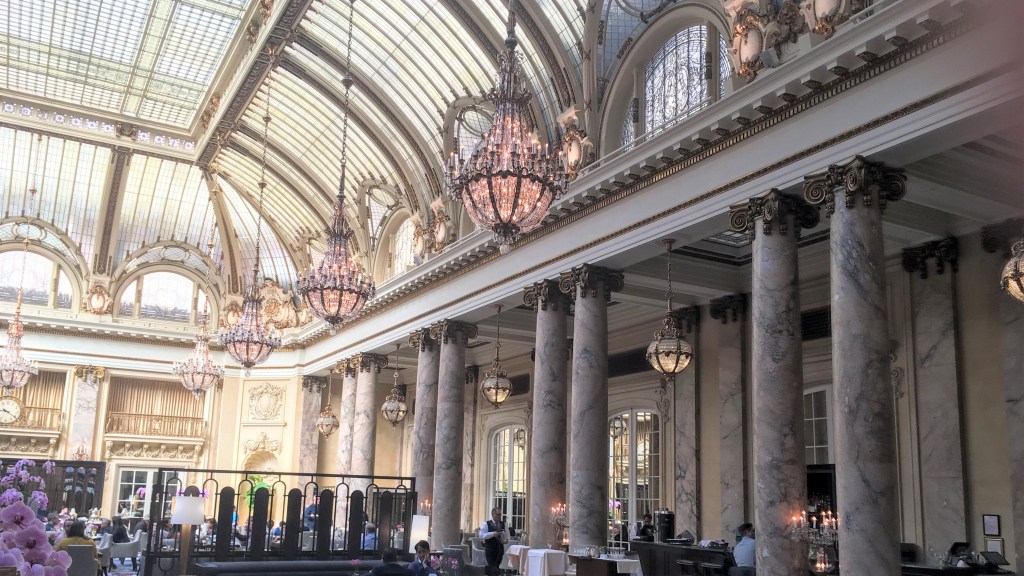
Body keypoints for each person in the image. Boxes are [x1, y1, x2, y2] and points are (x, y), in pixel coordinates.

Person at [479, 507, 509, 576]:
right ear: (493, 514)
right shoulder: (486, 524)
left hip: (500, 550)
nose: (499, 516)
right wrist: (492, 534)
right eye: (497, 514)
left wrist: (506, 540)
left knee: (496, 568)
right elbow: (481, 536)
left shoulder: (503, 524)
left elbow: (508, 535)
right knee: (492, 569)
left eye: (500, 515)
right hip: (490, 550)